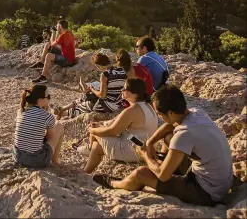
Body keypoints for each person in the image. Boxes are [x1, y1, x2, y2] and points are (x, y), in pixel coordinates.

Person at [93, 85, 233, 207]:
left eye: (160, 114)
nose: (159, 117)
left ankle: (113, 183)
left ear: (171, 112)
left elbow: (163, 175)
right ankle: (165, 164)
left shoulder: (184, 135)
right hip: (220, 180)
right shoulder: (197, 113)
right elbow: (169, 126)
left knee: (141, 173)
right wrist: (149, 143)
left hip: (207, 192)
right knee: (168, 138)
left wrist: (146, 155)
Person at [74, 78, 158, 173]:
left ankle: (88, 149)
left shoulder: (132, 110)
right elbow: (116, 121)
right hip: (145, 150)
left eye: (125, 89)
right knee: (97, 145)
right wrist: (102, 123)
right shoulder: (147, 106)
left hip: (130, 151)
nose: (122, 90)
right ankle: (86, 171)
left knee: (95, 131)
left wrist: (92, 130)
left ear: (135, 95)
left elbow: (113, 131)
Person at [56, 53, 127, 118]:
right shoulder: (122, 71)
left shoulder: (105, 75)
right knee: (87, 97)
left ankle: (63, 113)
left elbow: (102, 95)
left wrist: (92, 89)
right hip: (118, 102)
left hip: (108, 105)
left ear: (98, 65)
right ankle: (63, 108)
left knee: (83, 106)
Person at [13, 85, 65, 168]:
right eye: (48, 96)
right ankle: (55, 161)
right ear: (40, 100)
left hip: (18, 157)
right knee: (59, 125)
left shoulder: (20, 111)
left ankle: (54, 161)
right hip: (36, 160)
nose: (49, 99)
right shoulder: (47, 116)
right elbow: (49, 137)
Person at [30, 20, 76, 84]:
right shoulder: (69, 33)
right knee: (47, 44)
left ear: (60, 26)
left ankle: (43, 77)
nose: (56, 28)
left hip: (67, 60)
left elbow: (52, 44)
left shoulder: (63, 35)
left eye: (57, 26)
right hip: (68, 56)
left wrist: (53, 32)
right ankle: (41, 62)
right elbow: (58, 44)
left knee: (49, 55)